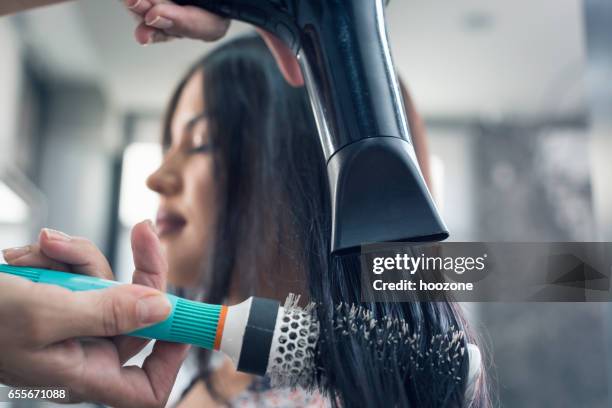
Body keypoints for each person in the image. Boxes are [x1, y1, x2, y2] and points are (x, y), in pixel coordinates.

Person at [3, 32, 488, 406]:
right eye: (167, 146)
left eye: (199, 144)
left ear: (300, 169)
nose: (156, 177)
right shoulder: (204, 371)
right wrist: (54, 382)